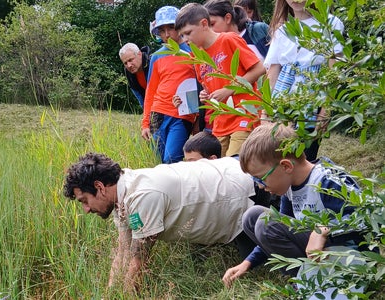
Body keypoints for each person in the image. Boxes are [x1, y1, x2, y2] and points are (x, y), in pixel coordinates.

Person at [63, 152, 256, 292]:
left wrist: (125, 295)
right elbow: (123, 251)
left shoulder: (141, 196)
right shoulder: (121, 195)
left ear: (99, 187)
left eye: (84, 201)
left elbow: (138, 261)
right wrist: (109, 294)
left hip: (247, 187)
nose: (86, 209)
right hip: (230, 174)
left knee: (265, 265)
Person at [222, 124, 362, 288]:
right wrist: (248, 262)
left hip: (352, 260)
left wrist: (324, 228)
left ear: (286, 166)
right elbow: (280, 229)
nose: (260, 186)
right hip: (319, 254)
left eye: (261, 179)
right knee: (252, 217)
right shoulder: (290, 188)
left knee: (266, 223)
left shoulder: (326, 180)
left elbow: (366, 216)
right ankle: (308, 281)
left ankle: (316, 285)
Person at [174, 3, 266, 157]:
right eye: (182, 35)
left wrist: (228, 90)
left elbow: (259, 69)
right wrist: (205, 95)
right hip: (220, 123)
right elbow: (209, 85)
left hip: (244, 116)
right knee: (216, 169)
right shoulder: (197, 56)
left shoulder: (228, 39)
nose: (185, 40)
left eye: (188, 33)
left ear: (204, 24)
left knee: (234, 166)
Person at [264, 0, 344, 162]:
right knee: (279, 156)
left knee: (304, 158)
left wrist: (325, 111)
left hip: (312, 100)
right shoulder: (282, 30)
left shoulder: (330, 23)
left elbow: (334, 71)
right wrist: (265, 112)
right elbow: (272, 75)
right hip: (282, 103)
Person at [142, 6, 198, 164]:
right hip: (157, 114)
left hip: (182, 114)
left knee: (172, 158)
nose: (167, 34)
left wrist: (198, 118)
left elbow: (200, 85)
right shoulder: (157, 56)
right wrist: (145, 122)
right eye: (162, 30)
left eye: (171, 28)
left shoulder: (193, 52)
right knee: (158, 160)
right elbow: (151, 91)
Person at [204, 0, 270, 60]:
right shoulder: (216, 46)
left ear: (228, 18)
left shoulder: (258, 29)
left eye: (212, 24)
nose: (210, 30)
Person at [118, 43, 152, 108]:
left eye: (130, 60)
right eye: (125, 63)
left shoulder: (153, 62)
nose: (129, 65)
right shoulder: (128, 73)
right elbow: (139, 96)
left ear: (139, 54)